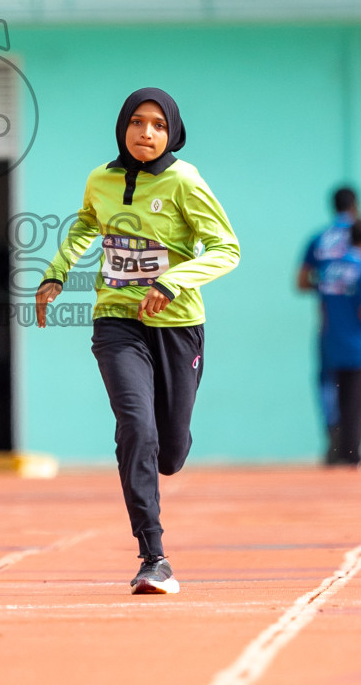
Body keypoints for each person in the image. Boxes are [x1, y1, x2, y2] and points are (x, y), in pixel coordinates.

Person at [35, 88, 238, 595]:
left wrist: (171, 283)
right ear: (123, 126)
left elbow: (226, 248)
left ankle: (164, 450)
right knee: (136, 428)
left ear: (172, 132)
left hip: (177, 324)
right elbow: (86, 223)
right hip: (117, 322)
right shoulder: (99, 179)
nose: (146, 133)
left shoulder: (184, 181)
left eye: (157, 125)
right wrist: (56, 273)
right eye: (137, 123)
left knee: (168, 451)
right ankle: (154, 556)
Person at [297, 186, 361, 464]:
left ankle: (334, 443)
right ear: (356, 206)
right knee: (359, 395)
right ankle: (353, 450)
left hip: (328, 329)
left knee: (330, 390)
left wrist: (332, 290)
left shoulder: (319, 239)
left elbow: (302, 282)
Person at [316, 220, 361, 466]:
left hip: (333, 345)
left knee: (338, 403)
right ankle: (352, 455)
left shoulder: (329, 268)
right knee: (358, 406)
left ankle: (337, 451)